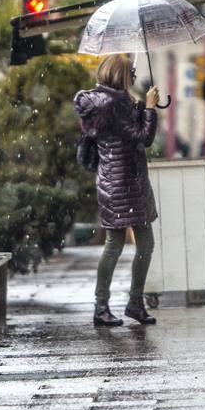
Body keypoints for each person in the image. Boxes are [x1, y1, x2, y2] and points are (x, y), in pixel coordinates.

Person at [74, 54, 161, 326]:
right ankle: (119, 304)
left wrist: (138, 109)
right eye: (131, 74)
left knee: (120, 244)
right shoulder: (116, 103)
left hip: (111, 181)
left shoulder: (101, 103)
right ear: (123, 76)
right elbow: (142, 137)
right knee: (134, 244)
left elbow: (121, 132)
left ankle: (113, 304)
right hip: (127, 181)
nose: (134, 77)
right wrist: (149, 108)